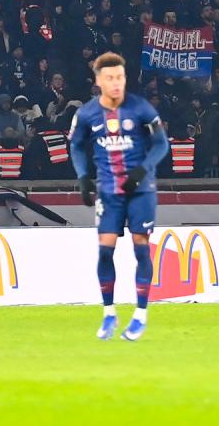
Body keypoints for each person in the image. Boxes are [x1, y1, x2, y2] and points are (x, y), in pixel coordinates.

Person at [68, 51, 170, 342]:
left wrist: (143, 170)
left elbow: (161, 145)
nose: (116, 83)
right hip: (109, 191)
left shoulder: (142, 109)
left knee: (141, 248)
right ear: (99, 80)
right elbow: (75, 146)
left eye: (121, 78)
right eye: (110, 78)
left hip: (140, 191)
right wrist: (83, 178)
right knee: (105, 250)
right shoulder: (86, 114)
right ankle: (109, 313)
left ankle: (140, 315)